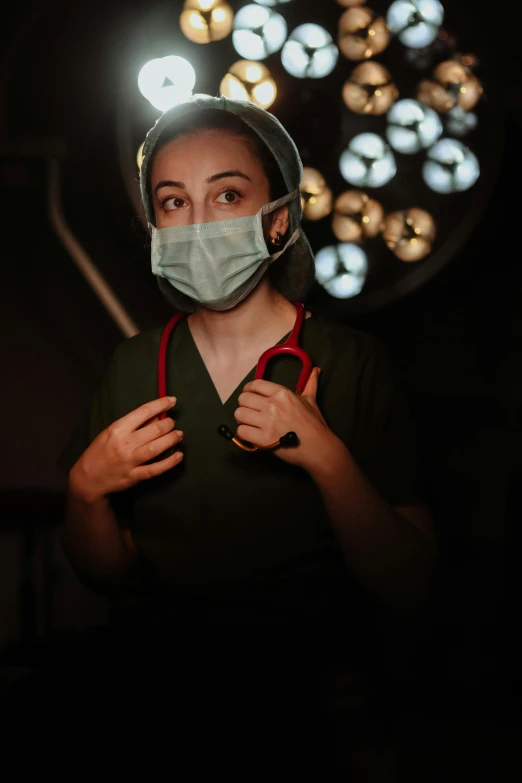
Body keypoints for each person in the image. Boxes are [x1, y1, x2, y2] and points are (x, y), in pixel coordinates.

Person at [10, 95, 436, 775]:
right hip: (153, 688)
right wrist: (86, 491)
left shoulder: (352, 364)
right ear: (154, 223)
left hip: (305, 688)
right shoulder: (132, 366)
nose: (198, 222)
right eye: (174, 201)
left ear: (278, 220)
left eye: (227, 194)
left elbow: (408, 581)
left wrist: (326, 457)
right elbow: (105, 574)